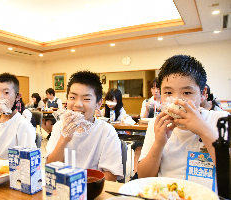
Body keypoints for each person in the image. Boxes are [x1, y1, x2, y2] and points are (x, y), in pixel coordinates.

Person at [137, 55, 229, 183]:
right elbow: (143, 177)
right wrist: (159, 143)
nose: (176, 101)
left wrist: (204, 130)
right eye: (168, 93)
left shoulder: (220, 121)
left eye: (186, 93)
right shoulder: (157, 124)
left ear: (203, 94)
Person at [45, 70, 123, 181]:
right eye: (72, 97)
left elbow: (111, 177)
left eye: (86, 99)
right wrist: (64, 139)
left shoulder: (106, 131)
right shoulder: (59, 126)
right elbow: (50, 168)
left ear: (98, 103)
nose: (78, 104)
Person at [0, 73, 36, 159]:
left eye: (6, 92)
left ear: (17, 96)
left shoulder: (23, 125)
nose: (0, 97)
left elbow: (28, 160)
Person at [131, 78, 161, 176]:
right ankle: (136, 173)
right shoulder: (147, 101)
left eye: (157, 88)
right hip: (145, 130)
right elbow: (142, 120)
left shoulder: (166, 103)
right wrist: (147, 110)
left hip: (160, 131)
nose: (155, 91)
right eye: (153, 88)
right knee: (138, 145)